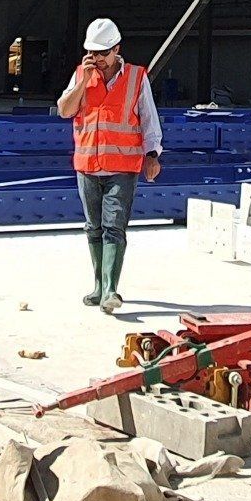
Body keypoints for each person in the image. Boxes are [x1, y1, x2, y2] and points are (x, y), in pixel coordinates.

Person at [55, 17, 162, 314]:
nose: (98, 59)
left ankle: (112, 290)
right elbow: (64, 110)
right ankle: (99, 287)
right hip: (87, 164)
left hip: (122, 167)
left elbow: (149, 119)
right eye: (93, 53)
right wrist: (82, 82)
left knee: (114, 227)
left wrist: (152, 155)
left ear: (117, 49)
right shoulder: (81, 75)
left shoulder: (137, 78)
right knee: (93, 227)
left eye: (103, 53)